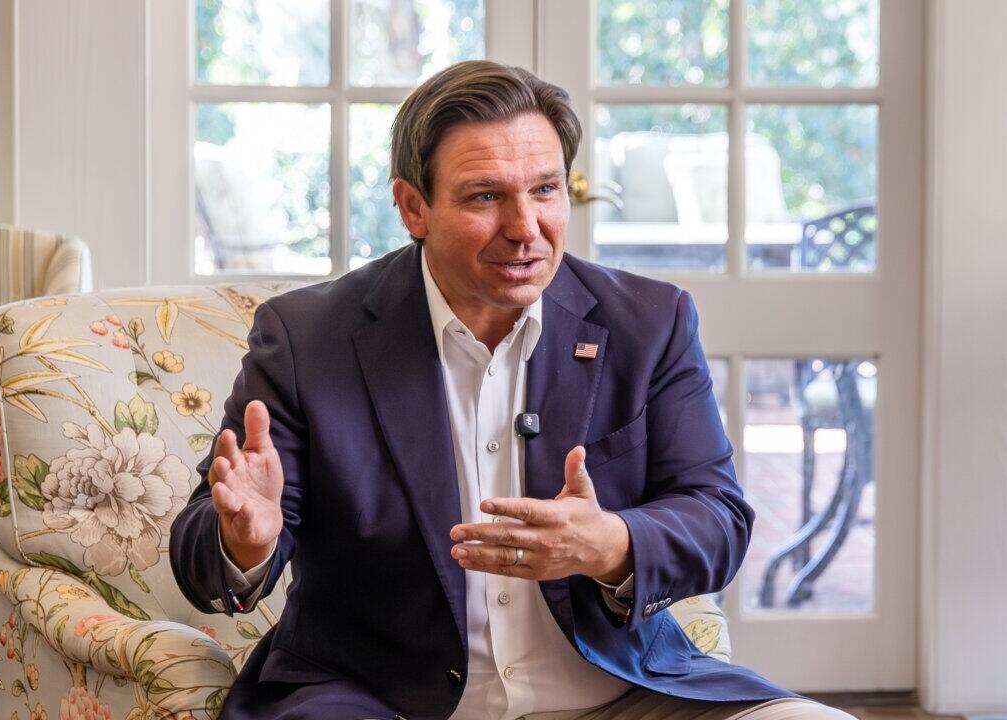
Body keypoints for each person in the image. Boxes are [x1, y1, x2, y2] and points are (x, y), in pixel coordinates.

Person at [170, 60, 854, 720]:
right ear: (413, 206)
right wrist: (245, 543)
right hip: (380, 701)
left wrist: (611, 543)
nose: (526, 228)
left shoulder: (649, 323)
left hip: (621, 695)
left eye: (546, 190)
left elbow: (718, 519)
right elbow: (202, 561)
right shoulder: (308, 338)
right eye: (485, 196)